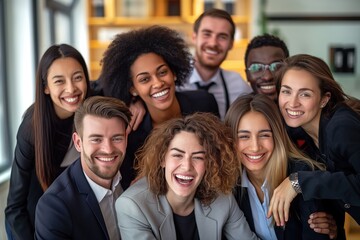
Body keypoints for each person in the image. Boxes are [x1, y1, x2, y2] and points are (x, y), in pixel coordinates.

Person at [98, 25, 219, 190]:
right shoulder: (132, 133)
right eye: (144, 79)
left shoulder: (204, 103)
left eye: (162, 72)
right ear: (132, 89)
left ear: (174, 72)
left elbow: (219, 159)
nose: (157, 83)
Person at [115, 112, 259, 240]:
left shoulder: (222, 197)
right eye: (177, 155)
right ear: (162, 159)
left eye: (198, 157)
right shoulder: (132, 205)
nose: (187, 166)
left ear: (209, 164)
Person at [4, 44, 91, 240]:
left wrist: (136, 104)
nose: (71, 88)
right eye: (59, 81)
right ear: (45, 87)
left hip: (74, 214)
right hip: (33, 220)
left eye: (78, 77)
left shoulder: (94, 105)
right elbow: (14, 206)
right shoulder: (31, 129)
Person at [269, 54, 360, 231]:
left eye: (305, 94)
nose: (292, 103)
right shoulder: (300, 132)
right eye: (286, 91)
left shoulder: (341, 127)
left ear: (324, 99)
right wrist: (331, 222)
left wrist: (298, 182)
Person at [225, 93, 335, 239]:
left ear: (276, 136)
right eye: (244, 136)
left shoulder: (301, 174)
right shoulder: (228, 185)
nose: (255, 147)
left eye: (264, 135)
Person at [35, 96, 132, 239]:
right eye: (96, 139)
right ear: (78, 142)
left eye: (117, 138)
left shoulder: (134, 173)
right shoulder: (54, 207)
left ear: (126, 139)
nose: (108, 149)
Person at [177, 8, 253, 119]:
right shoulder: (174, 78)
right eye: (207, 34)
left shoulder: (239, 85)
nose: (213, 43)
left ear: (231, 44)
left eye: (222, 37)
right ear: (194, 37)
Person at [244, 33, 289, 101]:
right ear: (247, 75)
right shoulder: (239, 111)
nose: (267, 77)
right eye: (257, 68)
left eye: (276, 66)